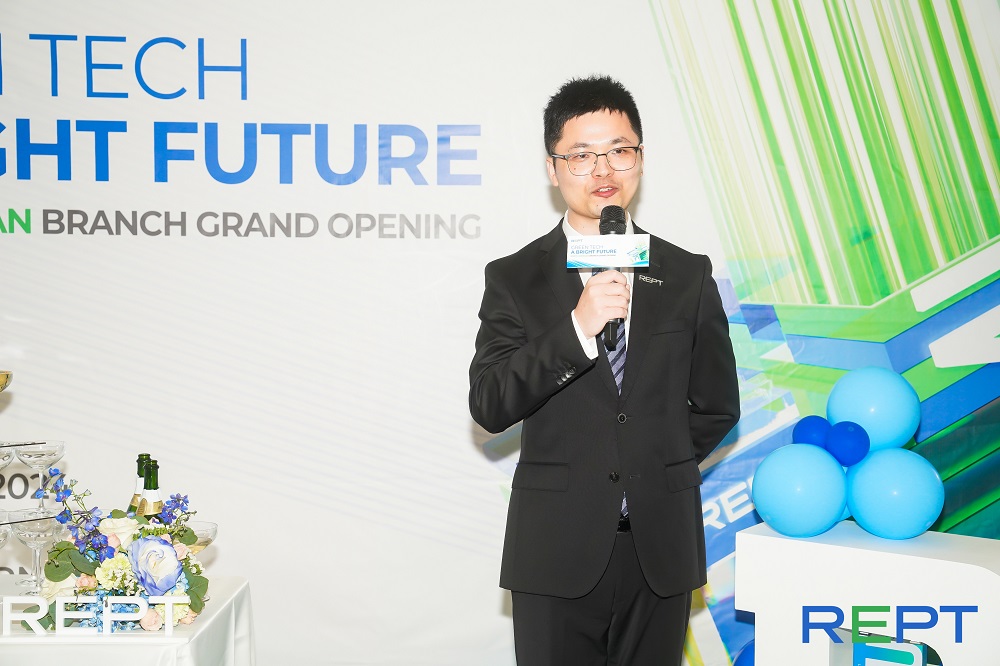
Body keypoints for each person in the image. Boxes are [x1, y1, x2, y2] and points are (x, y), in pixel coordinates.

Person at [469, 75, 740, 665]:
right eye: (582, 155)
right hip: (555, 547)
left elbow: (717, 405)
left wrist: (647, 464)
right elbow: (490, 403)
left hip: (659, 547)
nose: (603, 170)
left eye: (619, 150)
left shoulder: (686, 273)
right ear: (553, 168)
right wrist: (576, 329)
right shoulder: (515, 277)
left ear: (640, 157)